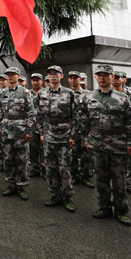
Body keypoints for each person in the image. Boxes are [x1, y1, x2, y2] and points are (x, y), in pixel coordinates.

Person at [80, 65, 131, 227]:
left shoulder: (122, 98)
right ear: (96, 77)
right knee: (101, 178)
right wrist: (86, 138)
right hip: (97, 144)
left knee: (119, 179)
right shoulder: (88, 97)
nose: (102, 77)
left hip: (118, 144)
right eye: (99, 75)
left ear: (112, 77)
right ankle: (104, 207)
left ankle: (121, 210)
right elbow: (83, 120)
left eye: (106, 75)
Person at [35, 65, 77, 213]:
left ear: (61, 76)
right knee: (50, 168)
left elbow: (74, 116)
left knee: (64, 168)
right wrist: (40, 132)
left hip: (64, 136)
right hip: (48, 135)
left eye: (56, 73)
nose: (53, 76)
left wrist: (72, 136)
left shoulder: (69, 93)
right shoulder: (42, 93)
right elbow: (39, 116)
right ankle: (55, 195)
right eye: (50, 74)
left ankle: (67, 196)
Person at [0, 67, 35, 200]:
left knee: (21, 159)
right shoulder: (2, 93)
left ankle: (21, 185)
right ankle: (11, 184)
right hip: (6, 130)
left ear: (18, 76)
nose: (10, 77)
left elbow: (30, 112)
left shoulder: (25, 92)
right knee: (8, 159)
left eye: (12, 74)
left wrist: (29, 130)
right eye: (8, 75)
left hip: (20, 131)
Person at [112, 71, 131, 197]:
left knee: (129, 158)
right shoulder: (105, 94)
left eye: (118, 77)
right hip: (111, 133)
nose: (115, 79)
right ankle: (115, 184)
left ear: (124, 79)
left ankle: (130, 183)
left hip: (127, 132)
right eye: (113, 77)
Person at [67, 71, 94, 189]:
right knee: (72, 153)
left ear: (80, 80)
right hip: (71, 129)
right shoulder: (65, 94)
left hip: (85, 129)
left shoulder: (88, 94)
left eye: (75, 78)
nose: (73, 80)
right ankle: (74, 175)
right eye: (71, 78)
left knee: (86, 154)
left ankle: (85, 176)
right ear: (68, 80)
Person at [29, 73, 44, 178]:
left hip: (43, 126)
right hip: (32, 126)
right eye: (33, 80)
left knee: (44, 149)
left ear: (42, 81)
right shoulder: (28, 93)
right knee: (33, 149)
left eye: (37, 80)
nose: (35, 82)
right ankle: (35, 168)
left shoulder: (46, 93)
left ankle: (44, 169)